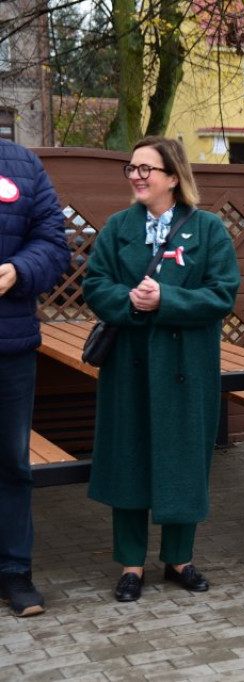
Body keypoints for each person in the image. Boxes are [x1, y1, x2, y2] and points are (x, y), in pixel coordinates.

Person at [83, 136, 240, 602]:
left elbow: (222, 294)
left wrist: (166, 299)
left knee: (184, 458)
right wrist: (128, 300)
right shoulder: (117, 227)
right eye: (131, 168)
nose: (136, 175)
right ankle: (131, 565)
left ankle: (179, 559)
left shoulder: (208, 229)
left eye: (146, 168)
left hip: (185, 366)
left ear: (173, 176)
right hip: (128, 366)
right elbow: (95, 285)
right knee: (128, 459)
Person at [0, 141, 70, 617]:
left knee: (11, 463)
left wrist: (17, 269)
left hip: (10, 347)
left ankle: (13, 571)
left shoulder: (22, 164)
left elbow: (53, 243)